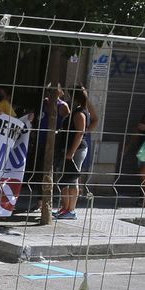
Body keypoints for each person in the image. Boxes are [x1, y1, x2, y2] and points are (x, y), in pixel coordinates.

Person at [29, 83, 70, 223]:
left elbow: (67, 125)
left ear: (59, 91)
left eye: (53, 90)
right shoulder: (43, 103)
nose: (49, 93)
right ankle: (39, 201)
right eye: (48, 90)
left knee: (50, 173)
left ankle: (48, 205)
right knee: (38, 172)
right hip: (40, 142)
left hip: (53, 145)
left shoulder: (62, 106)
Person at [55, 87, 92, 220]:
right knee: (65, 178)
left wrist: (71, 152)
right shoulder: (76, 111)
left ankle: (71, 210)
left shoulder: (79, 113)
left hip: (76, 150)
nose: (68, 99)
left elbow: (80, 133)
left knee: (72, 178)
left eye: (70, 96)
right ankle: (65, 208)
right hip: (68, 149)